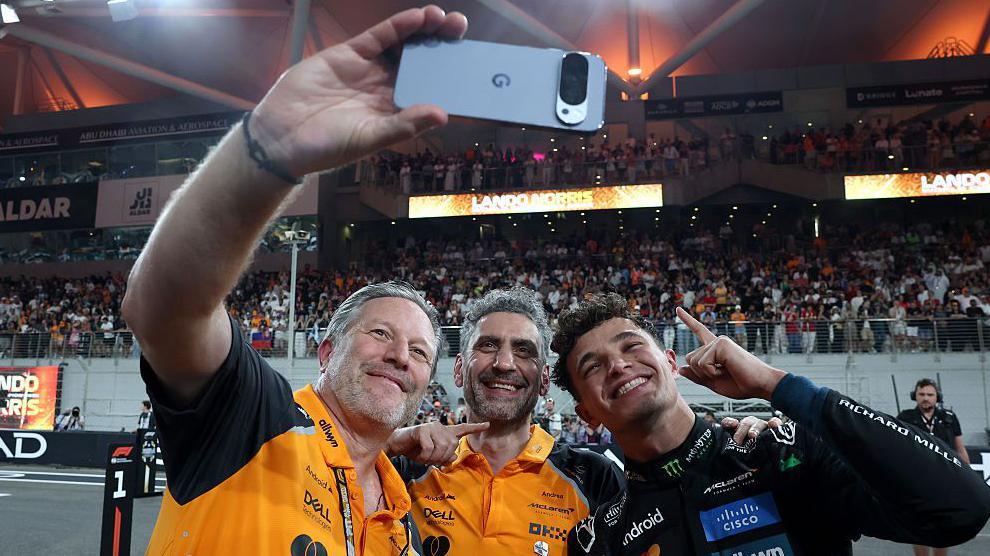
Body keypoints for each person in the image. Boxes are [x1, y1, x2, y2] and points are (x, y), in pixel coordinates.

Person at [121, 6, 474, 555]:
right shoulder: (253, 417)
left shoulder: (402, 520)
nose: (403, 356)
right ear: (327, 349)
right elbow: (164, 310)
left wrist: (393, 447)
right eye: (381, 334)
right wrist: (266, 151)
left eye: (421, 352)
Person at [551, 293, 990, 555]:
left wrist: (776, 385)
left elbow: (961, 508)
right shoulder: (598, 538)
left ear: (671, 362)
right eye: (593, 366)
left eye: (631, 346)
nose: (619, 365)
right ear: (586, 412)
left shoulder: (784, 454)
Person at [389, 288, 773, 556]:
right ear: (458, 370)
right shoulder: (404, 465)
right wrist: (386, 443)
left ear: (543, 381)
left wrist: (744, 433)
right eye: (488, 345)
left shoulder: (595, 477)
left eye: (523, 351)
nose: (504, 363)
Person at [898, 378, 971, 556]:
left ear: (937, 397)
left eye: (930, 394)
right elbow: (897, 450)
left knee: (944, 525)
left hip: (945, 480)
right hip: (916, 480)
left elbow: (960, 449)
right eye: (921, 394)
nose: (925, 398)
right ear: (914, 396)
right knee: (918, 526)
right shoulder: (905, 417)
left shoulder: (949, 418)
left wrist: (968, 477)